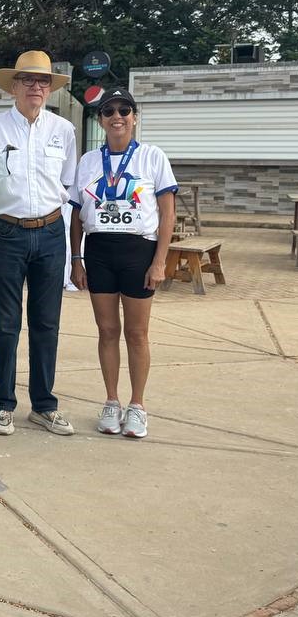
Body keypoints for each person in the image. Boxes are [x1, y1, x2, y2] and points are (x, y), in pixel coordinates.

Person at [0, 50, 77, 437]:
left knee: (47, 323)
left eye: (43, 81)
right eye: (28, 80)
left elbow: (66, 184)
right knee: (6, 324)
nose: (36, 87)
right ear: (13, 86)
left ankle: (44, 405)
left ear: (50, 88)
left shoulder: (63, 130)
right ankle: (4, 403)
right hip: (5, 232)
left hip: (50, 232)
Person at [69, 88, 176, 439]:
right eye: (109, 110)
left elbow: (167, 213)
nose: (117, 116)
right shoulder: (87, 160)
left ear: (134, 116)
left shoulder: (152, 156)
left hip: (137, 252)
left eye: (124, 110)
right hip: (99, 251)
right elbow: (76, 216)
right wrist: (76, 259)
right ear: (100, 119)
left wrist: (159, 261)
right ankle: (111, 401)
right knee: (107, 331)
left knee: (137, 333)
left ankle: (138, 405)